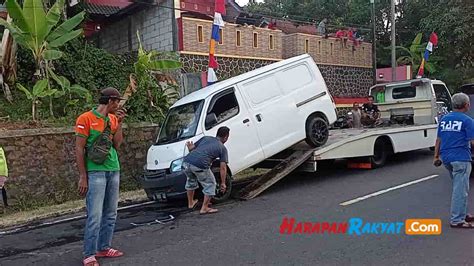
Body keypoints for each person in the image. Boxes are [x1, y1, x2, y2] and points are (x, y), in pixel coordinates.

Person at [75, 87, 127, 266]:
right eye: (117, 102)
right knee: (95, 214)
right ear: (110, 101)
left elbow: (117, 144)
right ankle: (89, 254)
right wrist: (83, 176)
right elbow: (79, 148)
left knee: (111, 212)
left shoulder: (113, 119)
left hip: (113, 168)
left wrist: (119, 123)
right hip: (95, 171)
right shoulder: (85, 119)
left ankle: (104, 247)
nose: (118, 105)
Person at [433, 93, 474, 229]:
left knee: (459, 187)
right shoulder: (467, 121)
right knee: (461, 189)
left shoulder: (444, 119)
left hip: (447, 159)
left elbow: (439, 139)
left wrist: (436, 157)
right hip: (461, 158)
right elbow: (472, 141)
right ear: (466, 105)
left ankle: (463, 214)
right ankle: (457, 219)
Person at [183, 126, 230, 215]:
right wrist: (223, 183)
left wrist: (190, 147)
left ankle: (190, 203)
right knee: (211, 184)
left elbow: (192, 148)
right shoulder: (222, 148)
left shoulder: (206, 138)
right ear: (226, 137)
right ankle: (204, 208)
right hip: (200, 165)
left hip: (186, 162)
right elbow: (223, 167)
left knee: (191, 181)